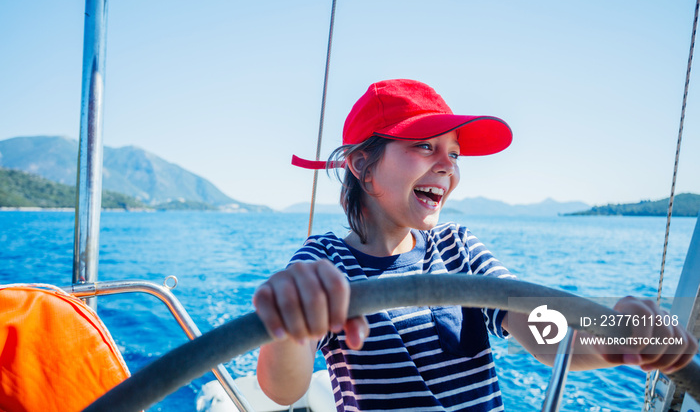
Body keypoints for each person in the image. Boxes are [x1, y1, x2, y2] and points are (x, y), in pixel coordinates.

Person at [254, 79, 698, 411]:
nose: (448, 166)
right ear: (362, 166)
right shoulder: (322, 265)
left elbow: (540, 333)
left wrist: (616, 337)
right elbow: (282, 389)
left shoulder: (457, 248)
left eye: (455, 153)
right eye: (425, 146)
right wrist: (296, 324)